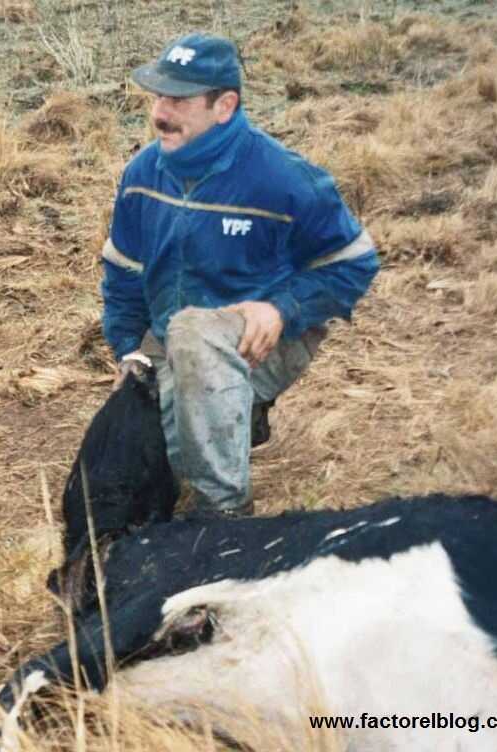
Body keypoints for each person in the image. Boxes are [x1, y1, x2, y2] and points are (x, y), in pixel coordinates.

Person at [101, 33, 379, 518]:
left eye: (179, 100)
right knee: (124, 471)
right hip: (166, 341)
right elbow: (124, 271)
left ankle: (223, 512)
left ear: (224, 105)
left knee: (194, 335)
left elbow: (353, 263)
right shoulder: (142, 175)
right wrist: (128, 351)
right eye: (158, 96)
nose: (160, 113)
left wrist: (281, 308)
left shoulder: (284, 180)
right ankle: (236, 415)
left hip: (263, 338)